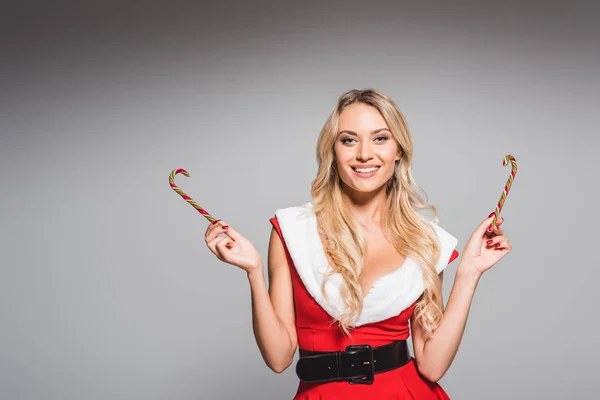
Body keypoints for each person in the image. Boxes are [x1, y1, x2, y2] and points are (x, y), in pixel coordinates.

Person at [204, 88, 511, 399]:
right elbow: (278, 358)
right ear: (333, 151)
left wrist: (469, 274)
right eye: (349, 140)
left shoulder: (426, 240)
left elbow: (432, 365)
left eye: (380, 138)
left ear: (399, 150)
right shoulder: (293, 231)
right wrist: (253, 271)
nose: (364, 153)